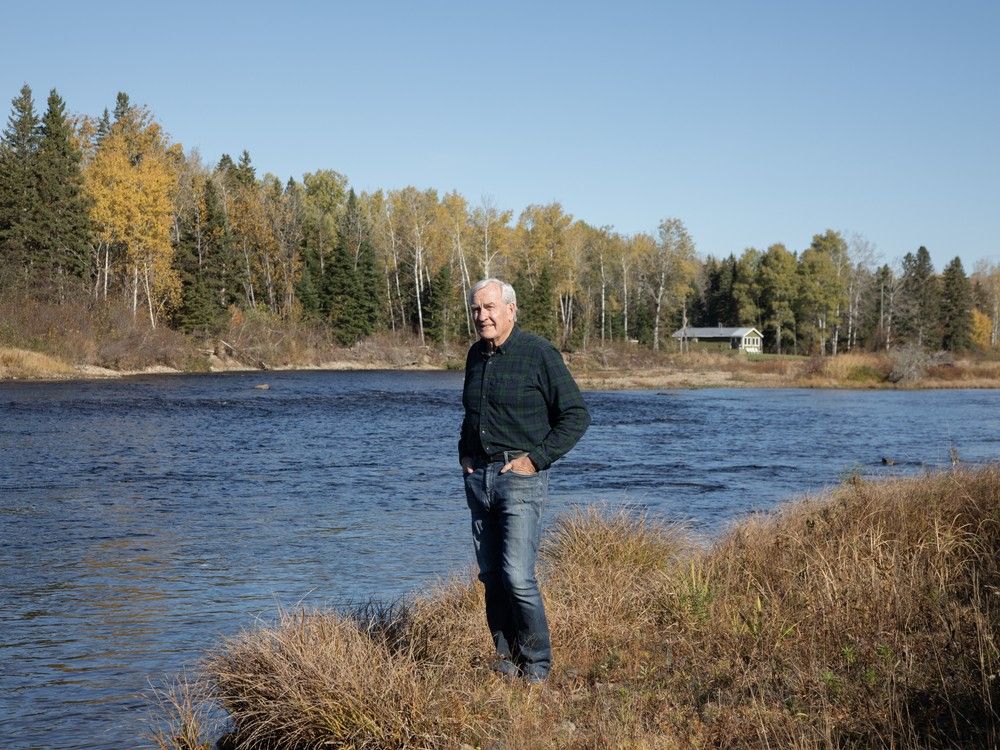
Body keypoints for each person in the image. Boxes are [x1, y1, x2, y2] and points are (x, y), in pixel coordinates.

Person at [458, 278, 590, 683]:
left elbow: (576, 416)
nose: (482, 316)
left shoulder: (539, 353)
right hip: (479, 479)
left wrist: (536, 460)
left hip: (521, 480)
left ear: (511, 310)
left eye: (490, 307)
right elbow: (472, 412)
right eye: (476, 309)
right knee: (492, 576)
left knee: (517, 575)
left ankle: (537, 665)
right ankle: (507, 658)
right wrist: (464, 451)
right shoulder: (476, 355)